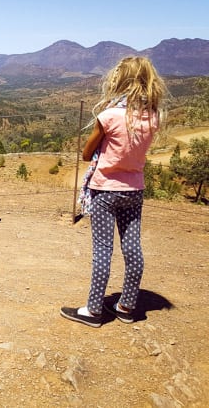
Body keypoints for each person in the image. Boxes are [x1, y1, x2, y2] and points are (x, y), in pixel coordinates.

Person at [61, 56, 167, 327]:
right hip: (134, 189)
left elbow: (86, 154)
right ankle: (127, 306)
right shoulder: (153, 117)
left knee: (102, 250)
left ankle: (94, 310)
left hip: (105, 189)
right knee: (133, 248)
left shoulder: (108, 116)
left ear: (120, 80)